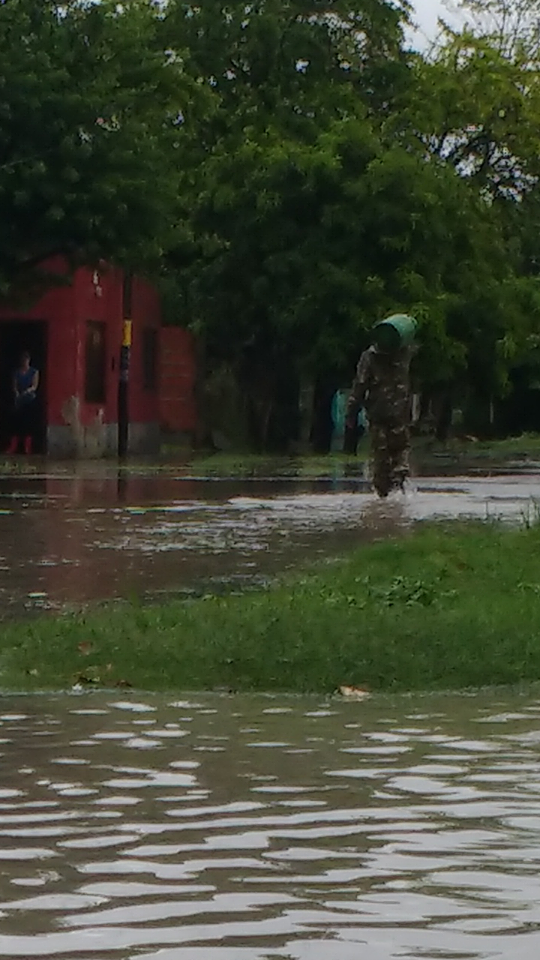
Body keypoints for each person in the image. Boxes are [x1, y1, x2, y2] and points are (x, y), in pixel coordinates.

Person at [346, 317, 416, 497]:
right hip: (398, 412)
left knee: (382, 458)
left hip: (380, 413)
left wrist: (351, 412)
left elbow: (360, 386)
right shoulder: (405, 353)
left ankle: (386, 497)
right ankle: (397, 491)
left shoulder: (370, 357)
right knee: (399, 452)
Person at [6, 351, 40, 455]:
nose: (24, 362)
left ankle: (27, 448)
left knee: (28, 423)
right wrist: (17, 393)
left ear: (29, 360)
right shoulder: (16, 373)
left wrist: (27, 391)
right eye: (23, 360)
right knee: (16, 423)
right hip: (19, 400)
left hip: (30, 399)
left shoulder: (34, 372)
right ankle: (13, 446)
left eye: (26, 360)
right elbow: (14, 386)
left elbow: (34, 386)